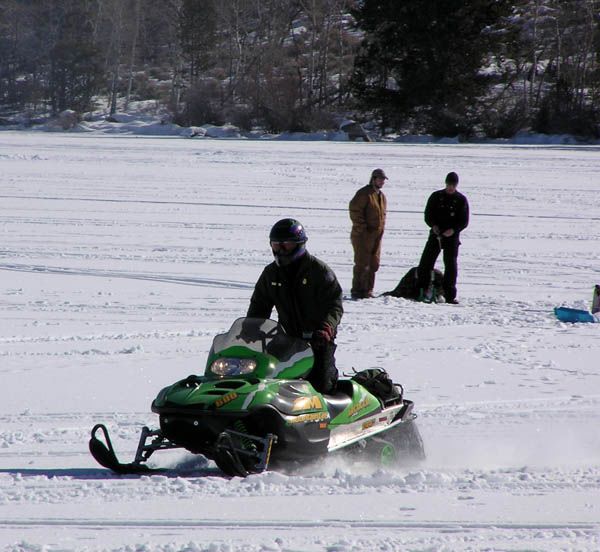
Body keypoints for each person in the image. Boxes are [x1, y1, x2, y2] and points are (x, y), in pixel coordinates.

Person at [247, 218, 343, 394]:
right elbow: (259, 305)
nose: (281, 250)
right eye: (276, 245)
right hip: (286, 339)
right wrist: (250, 329)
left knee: (321, 386)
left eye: (287, 245)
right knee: (267, 381)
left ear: (299, 244)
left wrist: (326, 326)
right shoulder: (271, 273)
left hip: (318, 340)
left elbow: (334, 303)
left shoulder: (319, 271)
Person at [416, 171, 469, 304]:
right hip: (436, 235)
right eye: (449, 184)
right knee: (426, 263)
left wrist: (453, 230)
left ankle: (450, 295)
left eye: (453, 185)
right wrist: (433, 225)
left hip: (452, 238)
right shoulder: (436, 196)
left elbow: (464, 221)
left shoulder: (461, 200)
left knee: (451, 265)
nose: (450, 187)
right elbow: (428, 214)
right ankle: (422, 289)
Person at [349, 168, 388, 299]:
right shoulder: (364, 193)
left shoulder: (381, 196)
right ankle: (358, 290)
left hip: (376, 235)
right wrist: (363, 228)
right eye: (380, 179)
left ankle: (368, 290)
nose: (382, 182)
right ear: (373, 179)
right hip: (362, 235)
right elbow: (355, 210)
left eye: (383, 180)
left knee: (373, 263)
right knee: (362, 263)